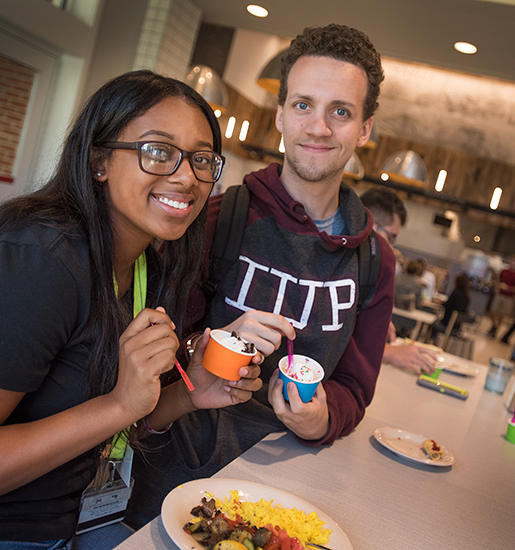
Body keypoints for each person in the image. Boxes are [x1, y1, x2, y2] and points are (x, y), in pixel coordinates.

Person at [0, 71, 264, 548]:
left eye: (201, 159)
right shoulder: (38, 265)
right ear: (99, 161)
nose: (186, 176)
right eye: (158, 151)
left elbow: (99, 420)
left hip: (65, 524)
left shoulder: (144, 269)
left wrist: (188, 395)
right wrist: (118, 404)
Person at [125, 24, 394, 526]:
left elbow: (355, 389)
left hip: (291, 490)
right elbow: (150, 353)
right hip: (182, 479)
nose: (318, 127)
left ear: (364, 130)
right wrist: (216, 343)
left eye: (340, 111)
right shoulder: (217, 219)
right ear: (280, 114)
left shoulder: (375, 260)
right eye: (302, 105)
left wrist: (320, 419)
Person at [361, 188, 437, 375]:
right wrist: (387, 353)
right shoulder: (336, 262)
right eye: (392, 237)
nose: (391, 246)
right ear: (372, 224)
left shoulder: (366, 267)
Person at [430, 273, 471, 346]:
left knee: (432, 323)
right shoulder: (467, 296)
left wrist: (440, 302)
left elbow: (447, 305)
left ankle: (433, 342)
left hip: (447, 324)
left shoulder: (456, 293)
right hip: (457, 327)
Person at [486, 255, 515, 338]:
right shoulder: (504, 271)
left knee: (502, 314)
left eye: (514, 262)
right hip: (500, 294)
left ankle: (496, 330)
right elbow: (499, 281)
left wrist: (508, 288)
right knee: (492, 311)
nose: (512, 263)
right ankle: (494, 325)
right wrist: (498, 287)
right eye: (511, 261)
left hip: (509, 297)